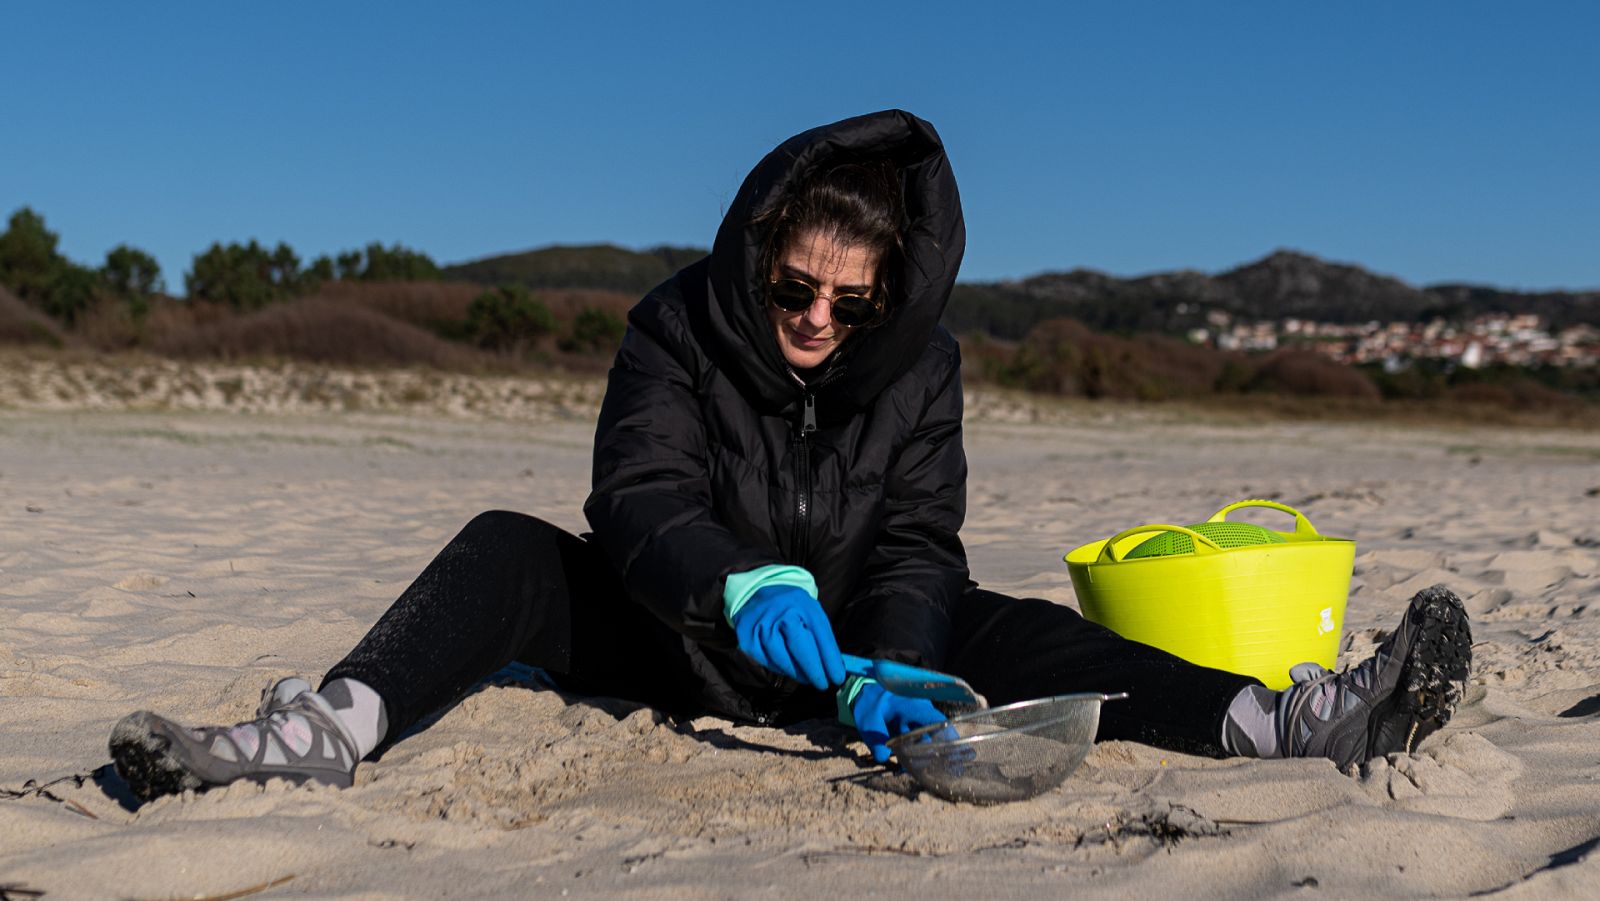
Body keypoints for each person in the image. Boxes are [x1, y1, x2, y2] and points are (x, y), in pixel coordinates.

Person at [109, 110, 1472, 801]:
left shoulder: (925, 370)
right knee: (511, 549)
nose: (818, 318)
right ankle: (323, 733)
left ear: (895, 300)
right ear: (759, 257)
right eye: (794, 288)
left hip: (866, 664)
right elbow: (634, 496)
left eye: (853, 301)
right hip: (688, 635)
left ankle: (1297, 720)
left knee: (1032, 632)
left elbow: (919, 538)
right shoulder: (671, 326)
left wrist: (897, 662)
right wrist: (742, 583)